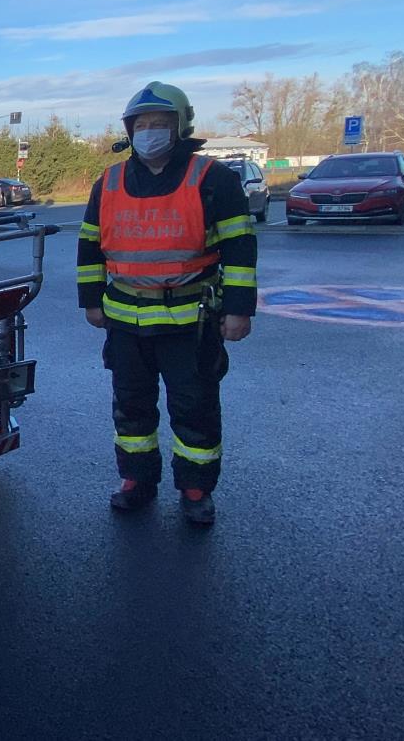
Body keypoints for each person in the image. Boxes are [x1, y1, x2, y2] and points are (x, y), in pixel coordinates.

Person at [76, 82, 257, 525]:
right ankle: (137, 480)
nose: (150, 132)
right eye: (142, 125)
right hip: (124, 320)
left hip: (189, 321)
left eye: (160, 124)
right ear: (129, 130)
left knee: (194, 406)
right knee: (130, 406)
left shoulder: (212, 178)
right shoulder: (111, 181)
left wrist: (238, 309)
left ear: (181, 128)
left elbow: (239, 247)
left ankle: (195, 489)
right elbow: (89, 246)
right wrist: (90, 302)